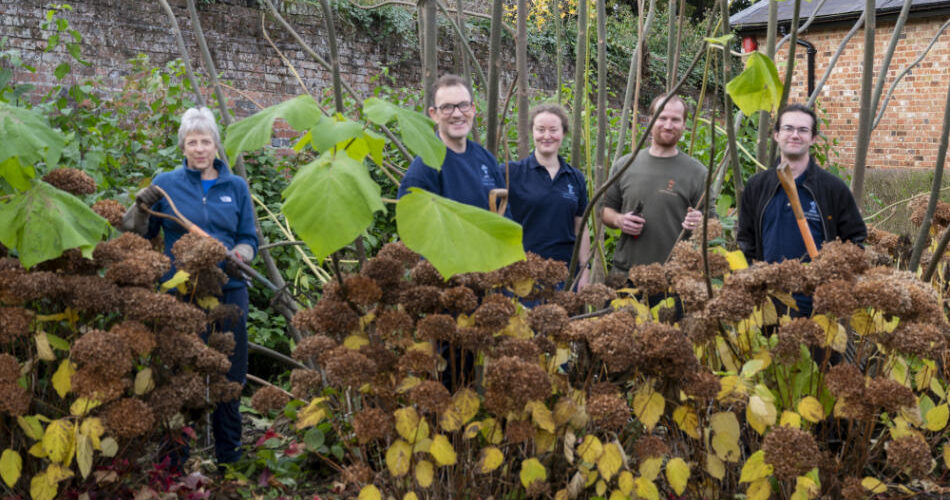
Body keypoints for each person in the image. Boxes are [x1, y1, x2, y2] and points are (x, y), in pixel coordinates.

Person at [121, 106, 258, 465]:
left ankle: (230, 460)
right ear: (183, 146)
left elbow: (248, 238)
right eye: (192, 142)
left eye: (206, 141)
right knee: (180, 374)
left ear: (216, 146)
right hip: (181, 294)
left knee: (230, 375)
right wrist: (139, 207)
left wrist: (241, 255)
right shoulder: (166, 183)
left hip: (230, 291)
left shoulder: (236, 186)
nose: (199, 148)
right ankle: (175, 462)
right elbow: (139, 231)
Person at [737, 103, 866, 317]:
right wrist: (754, 282)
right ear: (776, 135)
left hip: (817, 306)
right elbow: (746, 242)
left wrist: (834, 285)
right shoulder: (757, 187)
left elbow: (855, 242)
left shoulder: (832, 189)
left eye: (803, 130)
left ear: (813, 138)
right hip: (767, 304)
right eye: (788, 128)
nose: (795, 135)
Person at [601, 94, 707, 277]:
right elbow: (604, 210)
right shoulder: (625, 165)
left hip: (675, 279)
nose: (668, 125)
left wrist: (700, 221)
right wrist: (620, 220)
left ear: (684, 125)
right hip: (626, 276)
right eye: (662, 118)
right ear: (650, 120)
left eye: (675, 120)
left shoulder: (698, 173)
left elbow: (712, 221)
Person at [506, 103, 590, 288]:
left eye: (553, 130)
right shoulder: (512, 173)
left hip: (565, 275)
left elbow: (580, 228)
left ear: (563, 133)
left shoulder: (575, 178)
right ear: (532, 132)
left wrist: (585, 270)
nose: (547, 136)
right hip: (523, 274)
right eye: (540, 129)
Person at [397, 74, 507, 212]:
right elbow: (412, 227)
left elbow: (504, 214)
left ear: (473, 109)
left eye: (463, 105)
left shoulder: (486, 159)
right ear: (434, 115)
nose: (457, 114)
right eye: (447, 107)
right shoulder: (424, 169)